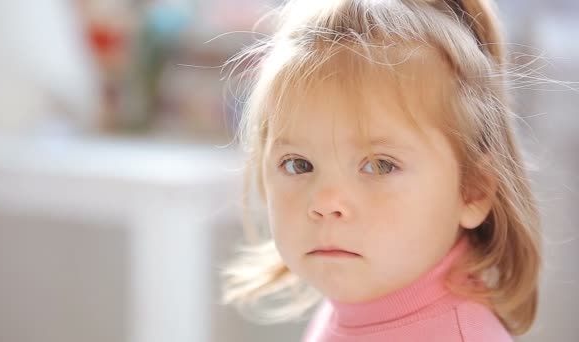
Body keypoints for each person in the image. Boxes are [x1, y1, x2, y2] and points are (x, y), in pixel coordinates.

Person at [222, 0, 541, 340]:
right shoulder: (353, 303)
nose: (326, 201)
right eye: (298, 164)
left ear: (472, 190)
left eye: (379, 165)